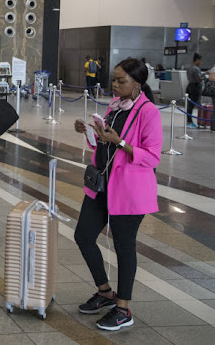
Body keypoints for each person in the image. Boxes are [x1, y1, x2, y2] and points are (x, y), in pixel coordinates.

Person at [73, 58, 162, 331]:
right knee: (83, 235)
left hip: (129, 190)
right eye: (114, 79)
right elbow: (103, 141)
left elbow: (153, 157)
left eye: (121, 80)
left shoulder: (148, 112)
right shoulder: (114, 106)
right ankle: (105, 292)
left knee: (124, 247)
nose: (115, 84)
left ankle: (123, 308)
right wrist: (91, 132)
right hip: (102, 184)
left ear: (137, 83)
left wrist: (120, 142)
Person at [185, 53, 203, 128]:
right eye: (200, 61)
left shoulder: (189, 68)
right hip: (195, 87)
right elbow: (198, 79)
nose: (201, 62)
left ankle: (189, 121)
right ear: (197, 60)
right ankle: (190, 122)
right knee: (192, 105)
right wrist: (205, 77)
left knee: (190, 105)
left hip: (189, 86)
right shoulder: (196, 69)